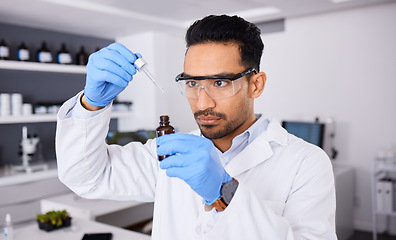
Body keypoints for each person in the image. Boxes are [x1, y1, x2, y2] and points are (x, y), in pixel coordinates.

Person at [56, 15, 337, 239]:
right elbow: (86, 178)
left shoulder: (306, 163)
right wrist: (92, 103)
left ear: (256, 84)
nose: (202, 102)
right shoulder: (168, 153)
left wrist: (225, 193)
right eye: (192, 83)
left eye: (219, 83)